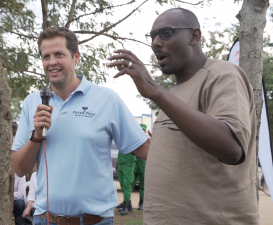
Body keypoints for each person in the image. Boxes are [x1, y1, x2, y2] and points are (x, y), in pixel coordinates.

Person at [106, 8, 258, 224]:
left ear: (194, 36)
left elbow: (231, 148)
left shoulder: (223, 74)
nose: (156, 42)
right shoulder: (174, 93)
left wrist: (155, 90)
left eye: (166, 33)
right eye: (153, 36)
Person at [12, 27, 150, 225]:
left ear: (76, 57)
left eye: (59, 54)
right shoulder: (32, 102)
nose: (52, 62)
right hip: (45, 219)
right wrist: (36, 135)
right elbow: (19, 168)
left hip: (95, 221)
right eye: (46, 56)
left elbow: (145, 149)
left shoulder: (106, 100)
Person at [115, 144, 136, 215]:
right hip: (121, 160)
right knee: (122, 183)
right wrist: (117, 163)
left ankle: (126, 207)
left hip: (129, 161)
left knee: (127, 184)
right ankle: (128, 205)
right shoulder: (123, 136)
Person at [131, 124, 148, 211]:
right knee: (130, 184)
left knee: (143, 186)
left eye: (144, 130)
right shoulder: (134, 140)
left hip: (144, 166)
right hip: (135, 166)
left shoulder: (147, 141)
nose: (142, 131)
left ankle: (141, 203)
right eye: (141, 129)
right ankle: (127, 203)